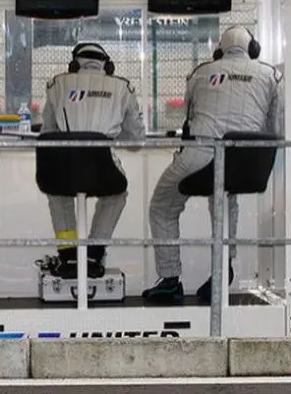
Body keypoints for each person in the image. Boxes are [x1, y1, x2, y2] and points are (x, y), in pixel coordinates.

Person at [143, 26, 282, 305]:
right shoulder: (271, 75)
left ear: (219, 50)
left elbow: (190, 117)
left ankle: (170, 280)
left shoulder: (200, 73)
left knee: (162, 206)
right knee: (224, 199)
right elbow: (274, 127)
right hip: (246, 161)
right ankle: (222, 272)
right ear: (253, 49)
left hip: (201, 155)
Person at [39, 43, 145, 279]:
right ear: (107, 66)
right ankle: (94, 254)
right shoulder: (123, 87)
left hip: (65, 169)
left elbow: (47, 131)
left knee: (58, 194)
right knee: (117, 193)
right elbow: (136, 140)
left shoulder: (57, 84)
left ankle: (68, 255)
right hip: (103, 171)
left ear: (73, 65)